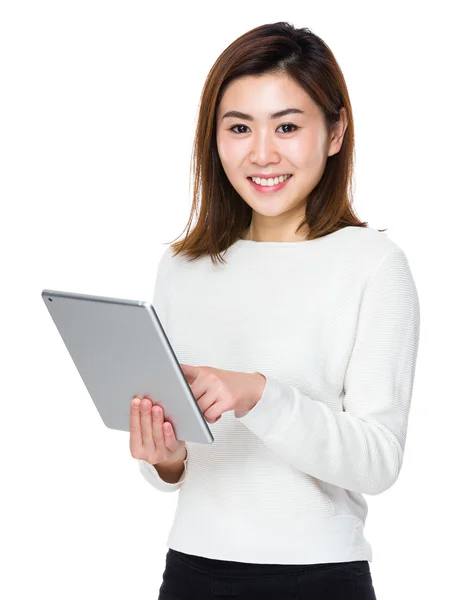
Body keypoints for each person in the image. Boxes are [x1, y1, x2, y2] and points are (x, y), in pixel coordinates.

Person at [129, 21, 420, 600]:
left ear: (335, 132)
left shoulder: (372, 265)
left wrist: (263, 395)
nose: (262, 153)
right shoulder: (182, 267)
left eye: (287, 126)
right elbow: (180, 462)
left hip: (318, 579)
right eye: (239, 128)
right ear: (213, 138)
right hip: (191, 569)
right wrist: (165, 458)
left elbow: (380, 461)